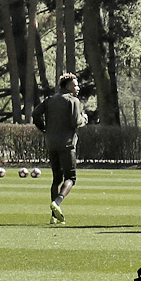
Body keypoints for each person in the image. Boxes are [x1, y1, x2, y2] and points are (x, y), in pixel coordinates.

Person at [31, 73, 84, 225]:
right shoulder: (72, 100)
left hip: (51, 142)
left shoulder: (49, 100)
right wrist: (84, 119)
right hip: (66, 144)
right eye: (75, 85)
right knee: (70, 178)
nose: (77, 88)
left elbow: (35, 113)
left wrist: (44, 128)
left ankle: (54, 216)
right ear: (68, 87)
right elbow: (75, 122)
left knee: (56, 179)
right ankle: (57, 203)